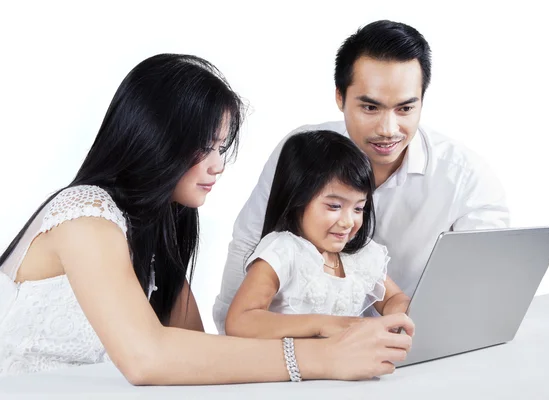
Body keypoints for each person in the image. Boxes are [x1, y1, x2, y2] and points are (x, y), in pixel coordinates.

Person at [0, 54, 414, 382]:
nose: (217, 166)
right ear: (154, 139)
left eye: (221, 147)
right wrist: (321, 356)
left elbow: (193, 347)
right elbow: (147, 358)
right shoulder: (85, 213)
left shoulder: (162, 222)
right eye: (205, 146)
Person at [214, 19, 510, 333]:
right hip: (284, 351)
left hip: (400, 350)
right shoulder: (304, 153)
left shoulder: (467, 178)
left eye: (405, 109)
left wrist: (412, 321)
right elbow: (247, 242)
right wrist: (229, 344)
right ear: (340, 96)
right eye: (370, 107)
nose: (388, 129)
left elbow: (486, 286)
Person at [225, 131, 410, 339]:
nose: (348, 221)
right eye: (334, 206)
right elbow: (240, 320)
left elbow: (394, 298)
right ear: (297, 199)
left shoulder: (360, 256)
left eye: (358, 208)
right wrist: (324, 324)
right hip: (291, 369)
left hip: (346, 368)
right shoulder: (283, 251)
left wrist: (405, 314)